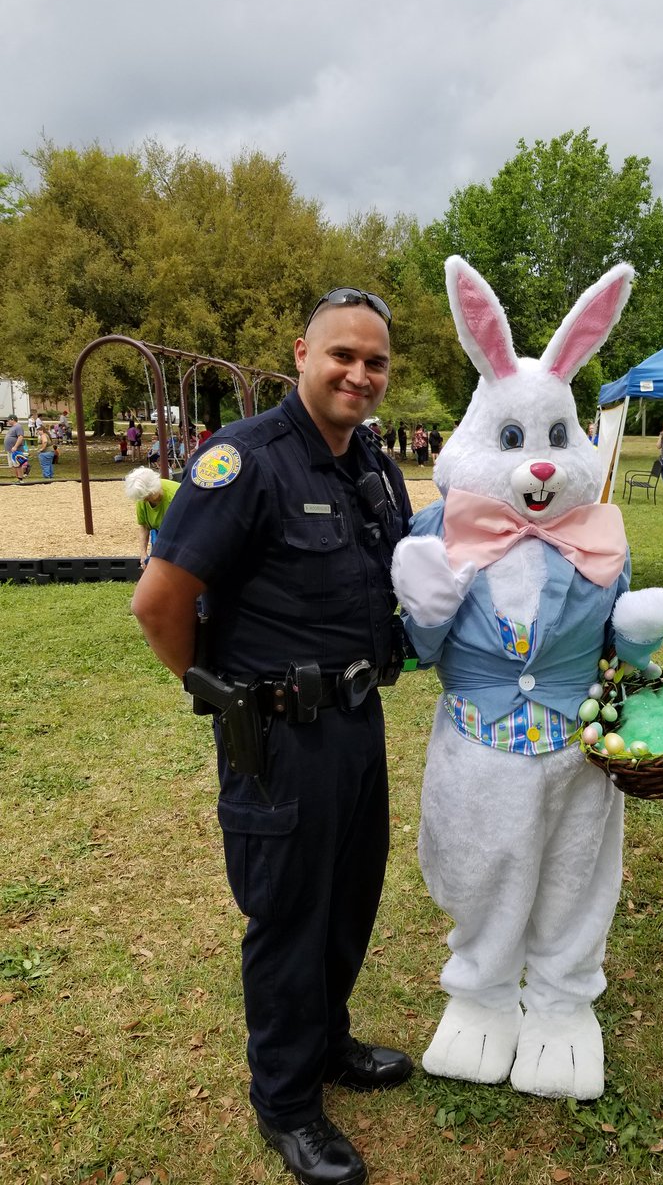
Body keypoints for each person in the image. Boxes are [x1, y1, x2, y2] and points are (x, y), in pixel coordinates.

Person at [131, 286, 414, 1185]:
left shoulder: (369, 461)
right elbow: (160, 602)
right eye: (343, 355)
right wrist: (221, 697)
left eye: (375, 362)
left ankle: (327, 1044)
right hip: (279, 733)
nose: (359, 374)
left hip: (358, 722)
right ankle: (286, 1104)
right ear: (302, 353)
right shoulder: (242, 461)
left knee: (348, 898)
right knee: (288, 915)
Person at [124, 467, 180, 568]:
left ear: (154, 488)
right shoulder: (142, 499)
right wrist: (143, 554)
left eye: (147, 496)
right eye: (142, 498)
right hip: (160, 535)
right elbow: (144, 526)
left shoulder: (176, 496)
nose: (145, 500)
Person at [4, 416, 28, 484]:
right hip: (10, 450)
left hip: (15, 450)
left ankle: (20, 479)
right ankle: (17, 478)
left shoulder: (18, 427)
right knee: (13, 465)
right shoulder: (13, 427)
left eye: (8, 420)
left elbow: (20, 437)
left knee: (17, 464)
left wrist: (15, 446)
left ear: (12, 419)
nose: (8, 422)